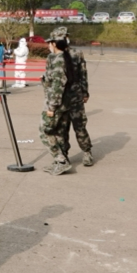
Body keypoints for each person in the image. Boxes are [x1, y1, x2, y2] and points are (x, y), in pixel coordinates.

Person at [52, 27, 94, 168]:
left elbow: (83, 74)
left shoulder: (76, 53)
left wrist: (85, 92)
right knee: (62, 128)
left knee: (79, 126)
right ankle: (64, 154)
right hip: (63, 97)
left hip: (74, 95)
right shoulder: (54, 55)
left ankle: (87, 152)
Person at [39, 29, 74, 176]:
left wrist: (52, 106)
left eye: (49, 43)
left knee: (45, 131)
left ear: (54, 43)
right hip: (64, 102)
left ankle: (60, 159)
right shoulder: (62, 57)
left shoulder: (59, 60)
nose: (48, 45)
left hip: (56, 102)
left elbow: (58, 84)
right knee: (59, 132)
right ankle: (61, 160)